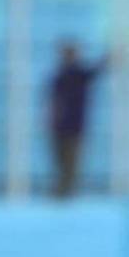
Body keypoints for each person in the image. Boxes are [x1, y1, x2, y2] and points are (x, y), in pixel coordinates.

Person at [48, 41, 107, 198]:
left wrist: (108, 59)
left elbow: (97, 70)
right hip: (62, 127)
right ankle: (62, 193)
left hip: (73, 126)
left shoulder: (77, 74)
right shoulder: (61, 75)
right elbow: (54, 102)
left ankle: (64, 194)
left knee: (70, 164)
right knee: (64, 164)